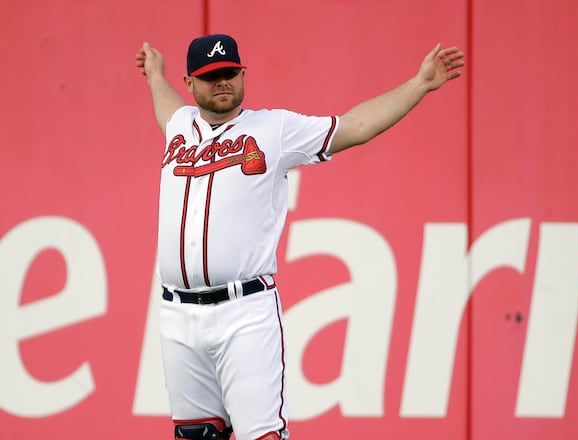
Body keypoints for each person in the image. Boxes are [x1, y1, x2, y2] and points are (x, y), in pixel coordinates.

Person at [134, 34, 464, 440]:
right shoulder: (180, 126)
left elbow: (354, 127)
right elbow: (164, 103)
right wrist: (154, 73)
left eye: (230, 73)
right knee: (196, 433)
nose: (222, 82)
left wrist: (418, 84)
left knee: (263, 436)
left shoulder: (274, 129)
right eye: (210, 76)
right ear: (190, 82)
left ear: (242, 74)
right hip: (178, 316)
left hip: (244, 313)